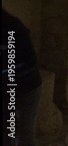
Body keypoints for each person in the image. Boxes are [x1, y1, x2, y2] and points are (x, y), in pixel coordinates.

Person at [2, 8, 42, 146]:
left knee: (24, 136)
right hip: (7, 90)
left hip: (27, 88)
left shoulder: (13, 28)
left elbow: (29, 63)